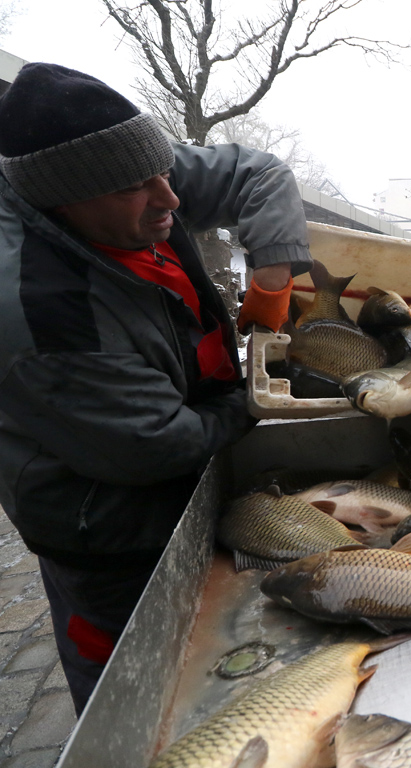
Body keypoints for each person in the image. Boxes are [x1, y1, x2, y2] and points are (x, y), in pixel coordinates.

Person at [0, 63, 312, 715]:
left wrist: (273, 283)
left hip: (185, 435)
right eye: (138, 189)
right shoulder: (40, 311)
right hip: (106, 526)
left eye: (164, 171)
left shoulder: (128, 176)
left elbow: (259, 176)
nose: (169, 198)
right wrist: (251, 399)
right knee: (137, 683)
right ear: (66, 201)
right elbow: (155, 445)